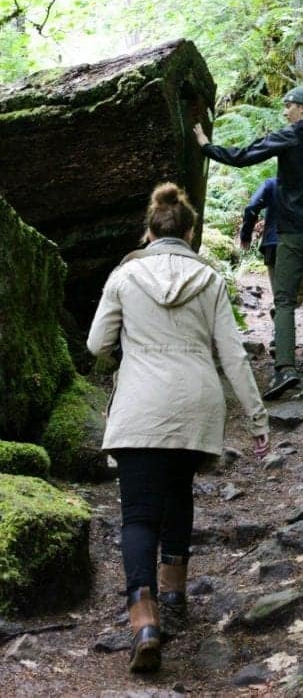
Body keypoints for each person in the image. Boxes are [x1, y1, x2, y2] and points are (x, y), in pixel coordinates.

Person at [86, 182, 270, 675]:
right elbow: (232, 354)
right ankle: (174, 593)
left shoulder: (124, 277)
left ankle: (144, 622)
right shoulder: (208, 280)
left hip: (141, 406)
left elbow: (96, 344)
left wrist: (129, 355)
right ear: (190, 232)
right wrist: (257, 418)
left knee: (138, 517)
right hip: (195, 404)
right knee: (179, 493)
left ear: (149, 231)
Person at [194, 84, 303, 401]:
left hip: (294, 234)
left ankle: (285, 369)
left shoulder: (289, 137)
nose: (285, 111)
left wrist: (206, 146)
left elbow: (244, 157)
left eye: (289, 105)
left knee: (284, 301)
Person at [240, 176, 303, 316]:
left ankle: (280, 326)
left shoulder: (271, 184)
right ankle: (281, 314)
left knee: (280, 295)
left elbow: (252, 206)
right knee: (299, 294)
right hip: (297, 245)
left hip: (272, 244)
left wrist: (246, 234)